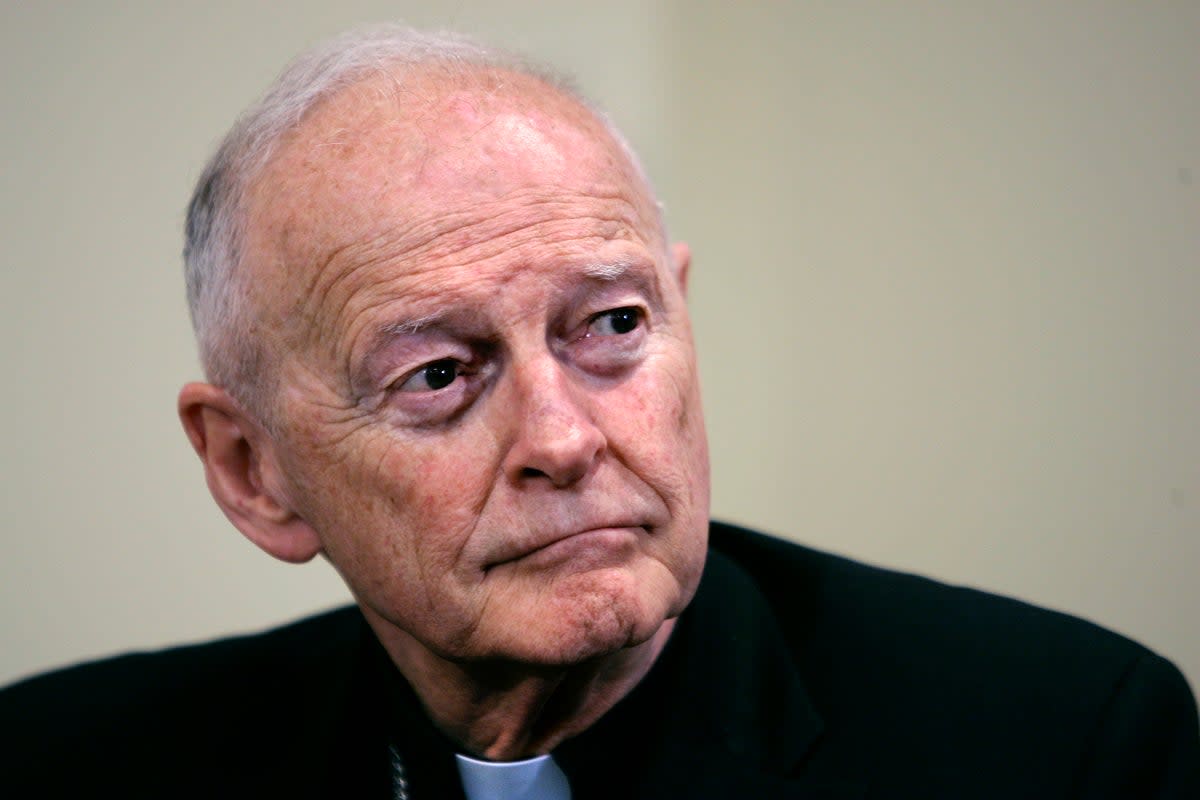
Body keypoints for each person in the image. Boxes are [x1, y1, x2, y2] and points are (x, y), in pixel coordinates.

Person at [2, 24, 1197, 799]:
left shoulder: (1066, 749)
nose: (566, 439)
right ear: (253, 470)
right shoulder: (66, 769)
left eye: (613, 326)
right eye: (438, 374)